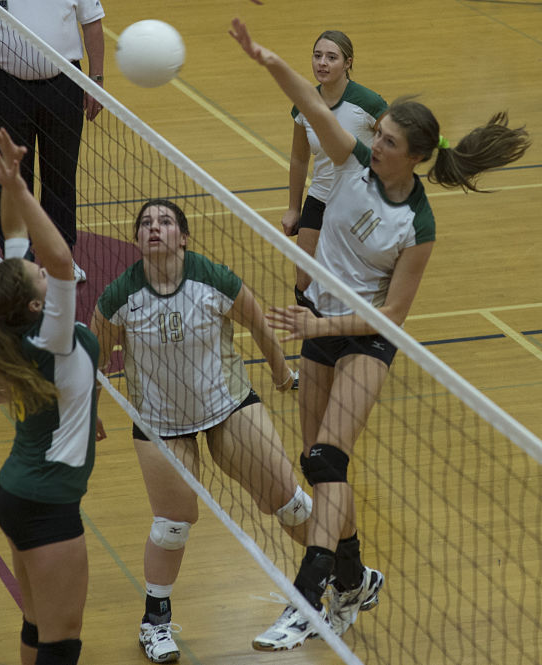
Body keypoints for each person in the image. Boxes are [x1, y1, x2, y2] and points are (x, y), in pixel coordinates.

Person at [230, 17, 530, 651]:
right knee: (321, 468)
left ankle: (308, 597)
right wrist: (267, 59)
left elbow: (392, 319)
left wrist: (320, 322)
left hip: (364, 334)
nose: (377, 140)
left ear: (413, 156)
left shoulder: (417, 226)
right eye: (379, 132)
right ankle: (354, 578)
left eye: (388, 138)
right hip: (322, 322)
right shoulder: (353, 162)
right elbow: (311, 105)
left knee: (326, 458)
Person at [91, 198, 313, 664]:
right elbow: (92, 358)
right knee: (173, 524)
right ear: (136, 240)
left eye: (166, 222)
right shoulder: (119, 297)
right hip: (160, 421)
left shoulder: (212, 278)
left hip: (227, 405)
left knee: (287, 500)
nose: (155, 228)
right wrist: (90, 411)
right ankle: (155, 623)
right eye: (146, 224)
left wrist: (280, 374)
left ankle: (338, 569)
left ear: (183, 237)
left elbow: (258, 323)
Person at [0, 121, 105, 665]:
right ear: (36, 304)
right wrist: (26, 190)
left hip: (19, 492)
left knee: (37, 623)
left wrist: (11, 184)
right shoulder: (52, 334)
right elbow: (56, 261)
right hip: (46, 504)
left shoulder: (20, 327)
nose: (41, 269)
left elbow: (20, 245)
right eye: (37, 276)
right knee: (62, 640)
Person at [0, 0, 105, 282]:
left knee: (61, 176)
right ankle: (17, 262)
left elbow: (92, 22)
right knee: (12, 180)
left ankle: (60, 260)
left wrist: (95, 81)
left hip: (65, 85)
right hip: (8, 89)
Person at [281, 30, 387, 302]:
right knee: (304, 280)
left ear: (348, 63)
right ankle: (312, 339)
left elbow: (394, 147)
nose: (322, 63)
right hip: (320, 198)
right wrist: (294, 208)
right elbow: (299, 157)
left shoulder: (368, 103)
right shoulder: (305, 103)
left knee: (353, 282)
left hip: (359, 204)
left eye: (331, 57)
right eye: (317, 56)